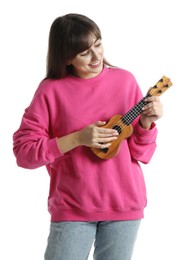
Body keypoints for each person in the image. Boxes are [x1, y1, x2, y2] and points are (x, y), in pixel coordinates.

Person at [13, 13, 163, 260]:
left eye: (98, 44)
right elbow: (24, 154)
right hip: (72, 207)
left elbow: (141, 153)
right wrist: (77, 139)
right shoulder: (51, 91)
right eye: (84, 53)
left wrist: (147, 124)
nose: (96, 57)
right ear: (66, 57)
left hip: (124, 205)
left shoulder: (125, 81)